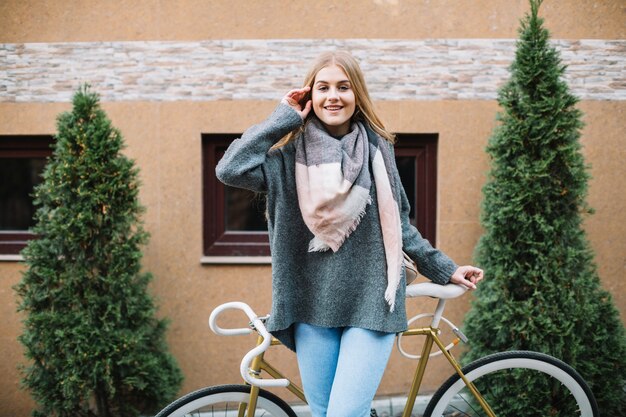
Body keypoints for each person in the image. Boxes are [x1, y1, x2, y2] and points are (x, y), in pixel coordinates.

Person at [216, 51, 483, 417]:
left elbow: (400, 226)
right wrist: (282, 118)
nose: (333, 96)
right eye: (323, 87)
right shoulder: (285, 161)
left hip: (371, 302)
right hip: (310, 302)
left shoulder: (378, 151)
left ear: (356, 95)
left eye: (343, 87)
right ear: (310, 97)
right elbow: (230, 168)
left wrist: (445, 268)